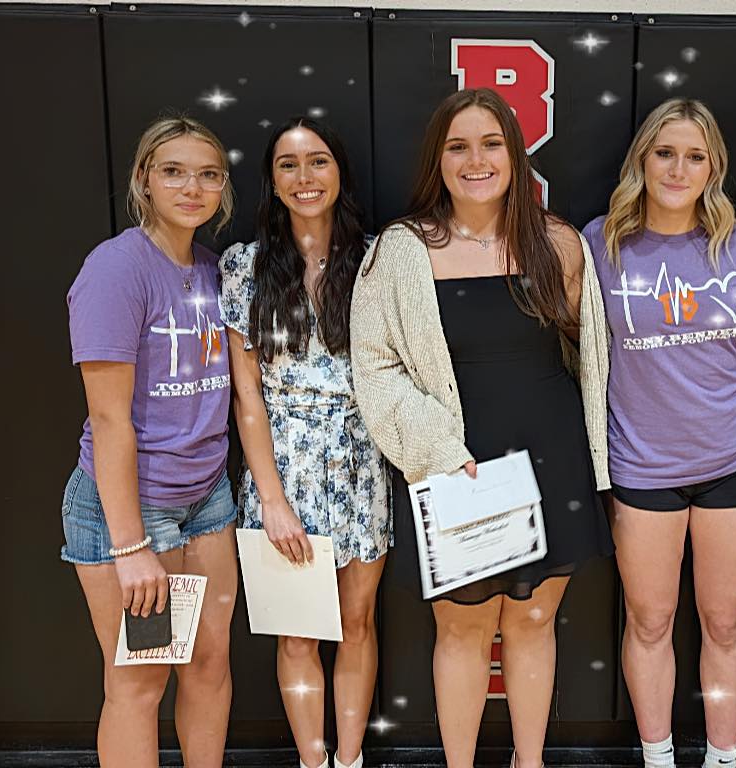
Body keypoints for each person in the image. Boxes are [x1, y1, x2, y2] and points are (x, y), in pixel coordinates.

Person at [350, 87, 613, 768]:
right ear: (437, 159)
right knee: (462, 629)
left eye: (490, 143)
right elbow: (374, 369)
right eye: (458, 146)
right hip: (452, 465)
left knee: (531, 620)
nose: (476, 160)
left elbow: (591, 357)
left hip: (550, 456)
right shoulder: (400, 251)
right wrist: (435, 446)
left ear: (514, 153)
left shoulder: (557, 241)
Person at [583, 98, 736, 768]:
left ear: (713, 166)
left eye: (695, 155)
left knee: (726, 622)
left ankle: (721, 759)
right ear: (642, 157)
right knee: (650, 621)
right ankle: (657, 756)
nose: (678, 167)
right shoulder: (600, 242)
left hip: (733, 458)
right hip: (641, 467)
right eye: (665, 151)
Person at [62, 116, 237, 767]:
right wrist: (131, 546)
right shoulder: (116, 270)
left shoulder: (214, 272)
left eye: (208, 173)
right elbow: (109, 422)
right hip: (131, 512)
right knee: (140, 681)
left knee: (210, 664)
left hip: (207, 502)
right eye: (173, 170)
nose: (191, 186)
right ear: (144, 179)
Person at [219, 117, 389, 768]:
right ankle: (312, 761)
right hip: (282, 466)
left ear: (338, 171)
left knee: (356, 624)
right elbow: (248, 395)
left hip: (360, 460)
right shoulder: (245, 264)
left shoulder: (377, 259)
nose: (304, 177)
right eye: (288, 166)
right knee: (297, 636)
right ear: (272, 180)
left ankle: (349, 759)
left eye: (316, 161)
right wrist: (272, 500)